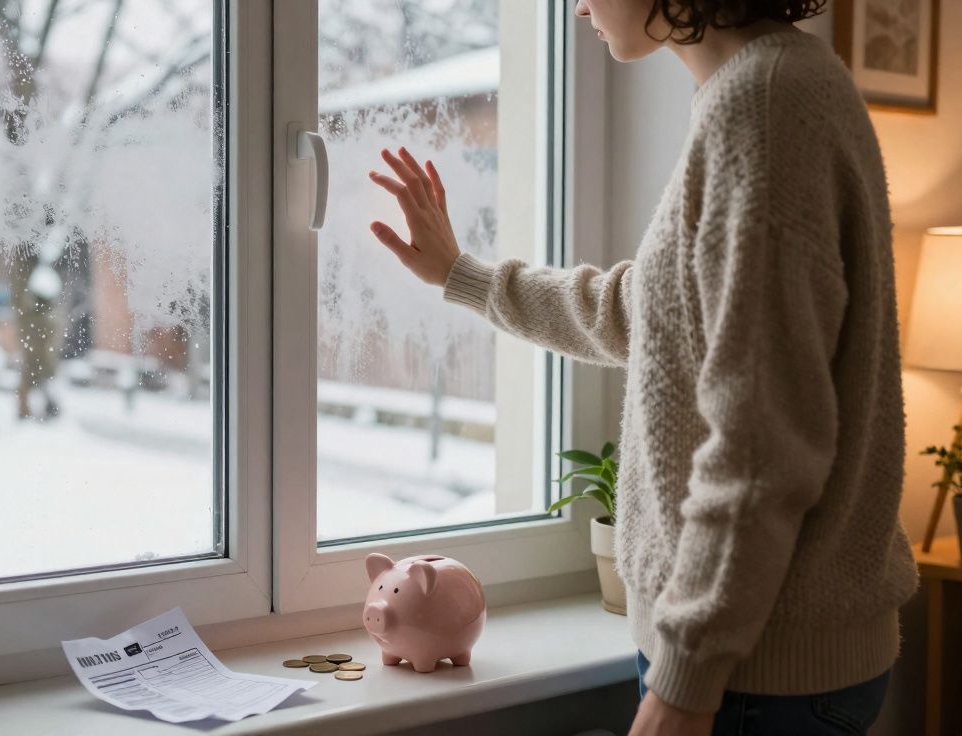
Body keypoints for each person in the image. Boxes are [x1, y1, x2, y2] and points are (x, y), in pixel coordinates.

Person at [367, 1, 919, 734]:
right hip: (751, 668)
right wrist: (461, 274)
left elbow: (762, 444)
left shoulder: (763, 106)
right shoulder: (765, 87)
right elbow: (639, 314)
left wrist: (686, 683)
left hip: (753, 679)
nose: (578, 6)